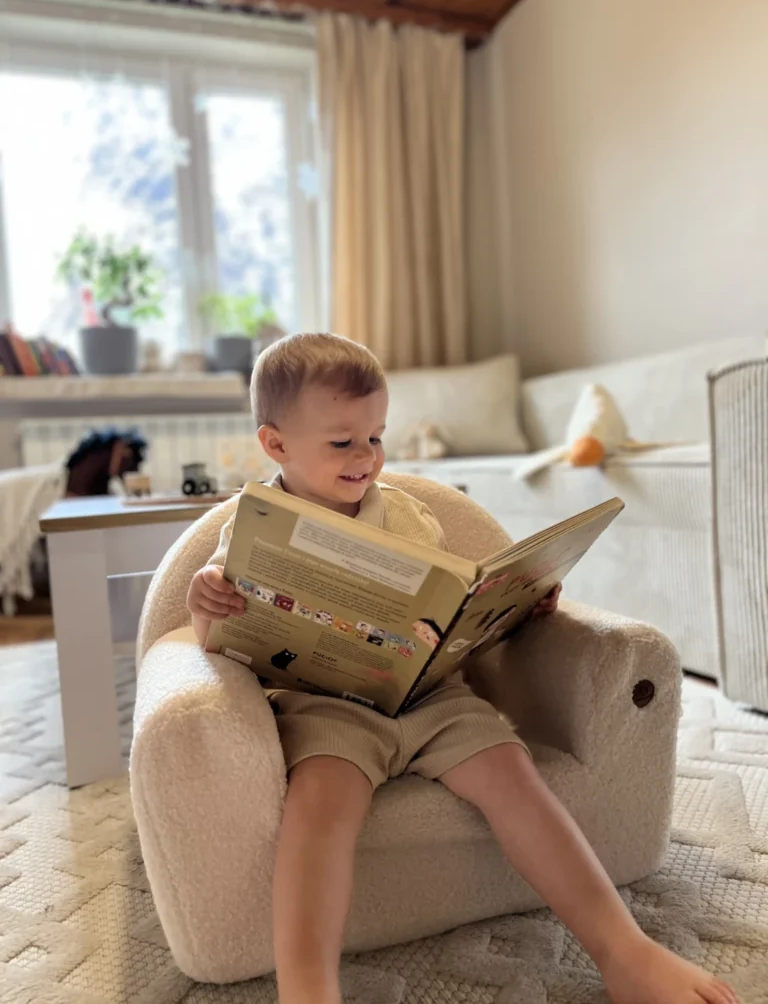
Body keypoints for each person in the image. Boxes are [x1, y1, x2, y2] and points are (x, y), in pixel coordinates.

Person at [187, 333, 738, 1004]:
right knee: (318, 810)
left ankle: (624, 951)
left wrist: (514, 608)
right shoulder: (252, 527)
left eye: (376, 437)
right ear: (276, 445)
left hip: (433, 698)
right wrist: (205, 604)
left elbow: (452, 618)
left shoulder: (413, 519)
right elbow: (217, 644)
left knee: (516, 779)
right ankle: (308, 991)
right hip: (326, 706)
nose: (366, 457)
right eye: (342, 442)